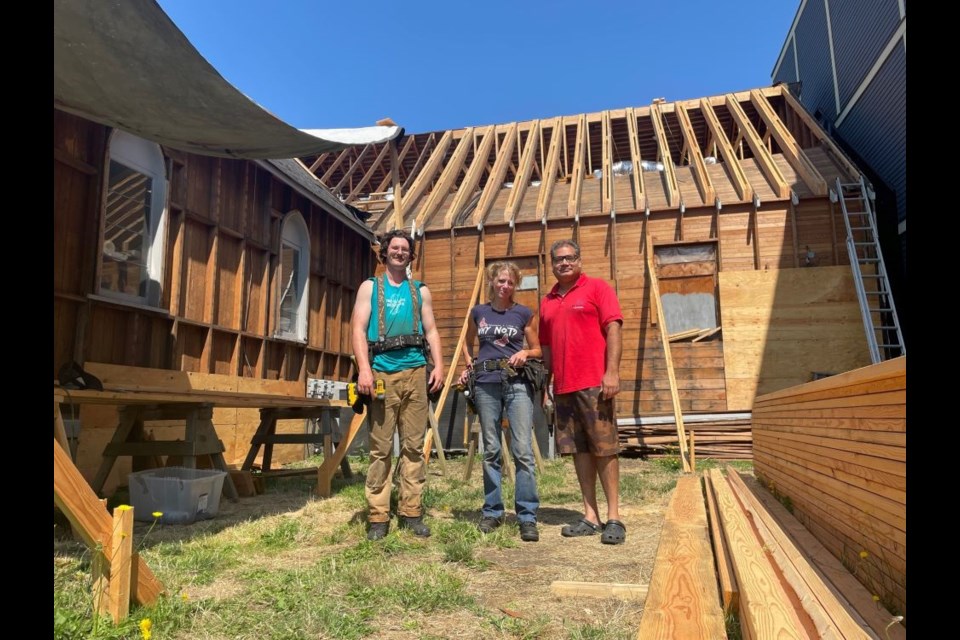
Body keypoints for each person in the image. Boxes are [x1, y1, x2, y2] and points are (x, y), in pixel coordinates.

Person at [351, 229, 444, 540]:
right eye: (395, 248)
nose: (400, 253)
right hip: (381, 373)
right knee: (380, 449)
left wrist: (440, 366)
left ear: (410, 255)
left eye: (405, 249)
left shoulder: (420, 291)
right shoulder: (370, 287)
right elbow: (358, 329)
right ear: (385, 252)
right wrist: (364, 369)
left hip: (416, 372)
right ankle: (378, 515)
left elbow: (431, 332)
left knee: (414, 447)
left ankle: (411, 512)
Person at [539, 239, 625, 545]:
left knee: (605, 448)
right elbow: (547, 346)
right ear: (552, 264)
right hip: (563, 386)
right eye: (558, 259)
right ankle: (591, 515)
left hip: (594, 384)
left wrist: (611, 372)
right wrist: (547, 383)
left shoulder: (598, 289)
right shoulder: (548, 300)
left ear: (579, 260)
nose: (564, 263)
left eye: (569, 258)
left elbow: (614, 329)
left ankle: (614, 517)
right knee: (578, 451)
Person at [458, 262, 543, 542]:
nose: (505, 286)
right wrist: (468, 367)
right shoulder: (478, 313)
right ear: (493, 282)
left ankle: (527, 516)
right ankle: (493, 511)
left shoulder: (523, 314)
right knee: (491, 448)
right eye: (501, 281)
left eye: (510, 282)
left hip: (517, 383)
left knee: (522, 451)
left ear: (515, 285)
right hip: (485, 385)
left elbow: (538, 348)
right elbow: (466, 343)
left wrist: (526, 354)